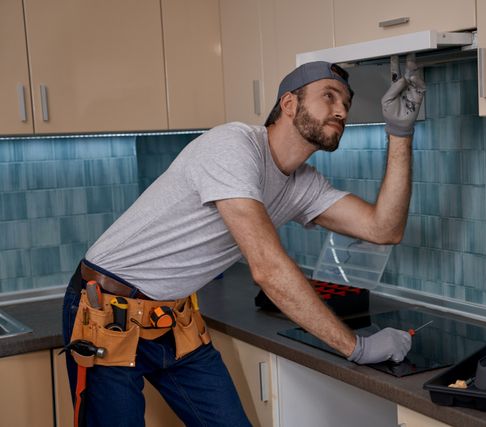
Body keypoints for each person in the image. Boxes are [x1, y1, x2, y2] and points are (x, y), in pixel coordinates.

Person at [61, 58, 425, 426]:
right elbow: (267, 269)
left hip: (174, 320)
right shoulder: (233, 145)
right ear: (288, 104)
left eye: (346, 102)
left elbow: (384, 229)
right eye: (329, 96)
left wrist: (399, 133)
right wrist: (356, 347)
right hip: (106, 312)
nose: (341, 110)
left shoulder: (303, 184)